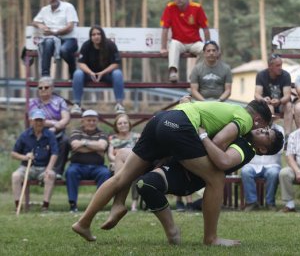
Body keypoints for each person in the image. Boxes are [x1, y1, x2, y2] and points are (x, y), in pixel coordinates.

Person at [71, 99, 272, 246]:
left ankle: (85, 221)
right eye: (264, 127)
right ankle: (211, 238)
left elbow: (199, 109)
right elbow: (219, 141)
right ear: (257, 119)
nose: (261, 130)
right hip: (178, 125)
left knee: (122, 176)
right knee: (216, 178)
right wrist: (200, 142)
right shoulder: (246, 118)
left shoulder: (228, 107)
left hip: (160, 119)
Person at [98, 125, 283, 244]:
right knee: (122, 154)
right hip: (176, 158)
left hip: (188, 175)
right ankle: (118, 204)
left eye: (267, 134)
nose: (262, 130)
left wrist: (203, 136)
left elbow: (224, 161)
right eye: (265, 128)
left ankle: (172, 231)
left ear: (263, 149)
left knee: (147, 185)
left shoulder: (246, 149)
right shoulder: (239, 129)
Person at [160, 0, 210, 82]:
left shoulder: (197, 7)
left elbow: (205, 29)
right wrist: (163, 48)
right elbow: (165, 28)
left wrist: (209, 45)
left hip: (195, 42)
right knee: (173, 44)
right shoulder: (170, 7)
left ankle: (195, 75)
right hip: (179, 42)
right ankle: (173, 72)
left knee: (206, 51)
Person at [71, 26, 125, 115]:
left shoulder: (110, 45)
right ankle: (77, 104)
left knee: (118, 73)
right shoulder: (86, 45)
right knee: (78, 73)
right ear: (91, 37)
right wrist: (90, 72)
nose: (96, 36)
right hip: (90, 74)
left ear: (102, 35)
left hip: (106, 74)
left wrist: (102, 73)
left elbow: (116, 63)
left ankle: (119, 104)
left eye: (98, 34)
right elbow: (81, 63)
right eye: (93, 34)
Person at [11, 109, 58, 212]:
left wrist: (49, 169)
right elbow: (13, 153)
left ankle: (45, 206)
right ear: (31, 121)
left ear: (44, 121)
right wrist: (25, 157)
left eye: (41, 120)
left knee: (51, 175)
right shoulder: (24, 135)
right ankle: (18, 206)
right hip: (26, 167)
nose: (38, 123)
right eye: (36, 120)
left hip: (44, 167)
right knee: (15, 176)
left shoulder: (50, 135)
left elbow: (54, 153)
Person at [66, 109, 111, 212]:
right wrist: (95, 147)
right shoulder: (76, 131)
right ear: (83, 121)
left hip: (98, 167)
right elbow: (74, 145)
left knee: (106, 173)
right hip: (78, 166)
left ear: (97, 121)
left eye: (94, 120)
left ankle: (99, 204)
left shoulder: (102, 133)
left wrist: (83, 143)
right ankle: (73, 204)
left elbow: (102, 146)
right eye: (89, 120)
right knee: (70, 172)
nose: (91, 123)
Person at [29, 76, 70, 179]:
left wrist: (57, 127)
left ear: (52, 88)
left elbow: (66, 118)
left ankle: (58, 171)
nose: (43, 90)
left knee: (65, 141)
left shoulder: (60, 101)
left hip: (57, 131)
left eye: (46, 87)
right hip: (39, 131)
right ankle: (37, 170)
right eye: (40, 88)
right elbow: (33, 119)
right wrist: (54, 123)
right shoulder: (34, 102)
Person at [32, 0, 79, 78]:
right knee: (48, 42)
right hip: (52, 40)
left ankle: (73, 72)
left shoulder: (68, 7)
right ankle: (45, 75)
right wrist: (41, 26)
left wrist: (53, 33)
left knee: (64, 50)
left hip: (69, 39)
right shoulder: (44, 10)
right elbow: (34, 22)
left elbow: (70, 27)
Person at [241, 124, 284, 211]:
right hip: (253, 164)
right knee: (245, 171)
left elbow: (279, 148)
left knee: (273, 173)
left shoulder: (279, 129)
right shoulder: (256, 128)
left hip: (272, 164)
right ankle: (251, 202)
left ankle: (270, 203)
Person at [108, 114, 141, 211]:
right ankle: (118, 203)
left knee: (135, 174)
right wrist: (118, 161)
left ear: (129, 124)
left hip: (133, 164)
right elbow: (110, 155)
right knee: (117, 172)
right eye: (120, 123)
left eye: (125, 123)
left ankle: (134, 204)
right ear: (116, 126)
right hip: (116, 164)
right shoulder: (112, 138)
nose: (123, 125)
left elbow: (139, 153)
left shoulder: (136, 137)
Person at [255, 54, 293, 135]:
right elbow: (257, 94)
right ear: (270, 66)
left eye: (281, 65)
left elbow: (287, 95)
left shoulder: (286, 75)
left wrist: (279, 101)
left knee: (289, 105)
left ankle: (287, 136)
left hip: (281, 104)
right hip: (268, 104)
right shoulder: (261, 75)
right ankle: (268, 134)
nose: (280, 68)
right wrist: (263, 99)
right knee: (270, 108)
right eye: (277, 65)